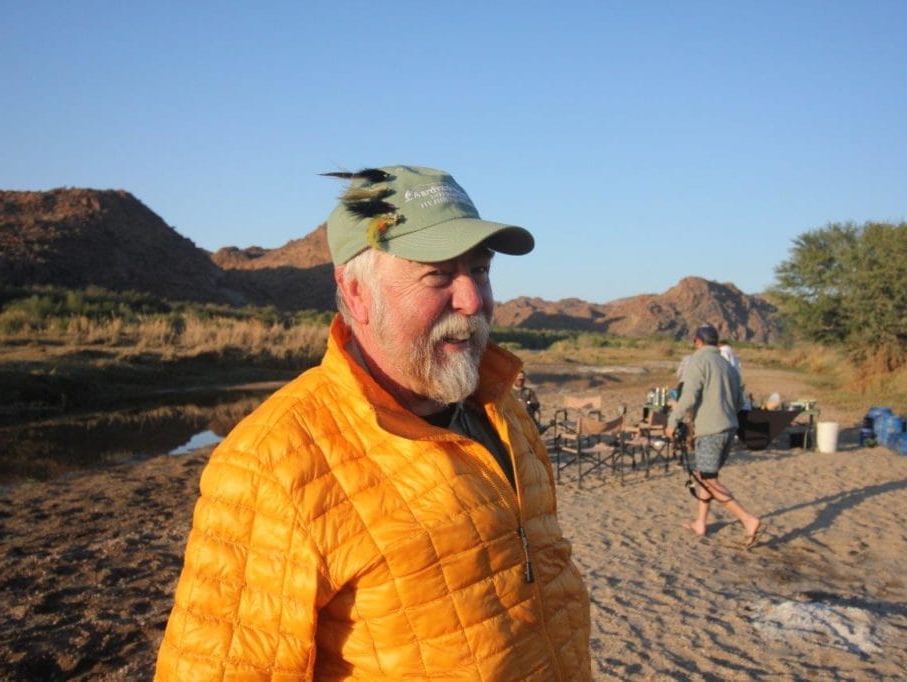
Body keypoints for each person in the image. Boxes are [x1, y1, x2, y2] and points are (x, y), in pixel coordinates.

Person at [155, 166, 592, 680]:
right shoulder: (272, 465)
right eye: (437, 274)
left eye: (480, 270)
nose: (473, 300)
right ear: (356, 292)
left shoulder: (501, 404)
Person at [666, 324, 761, 548]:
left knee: (709, 481)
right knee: (705, 475)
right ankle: (701, 523)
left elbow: (688, 397)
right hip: (729, 428)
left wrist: (673, 421)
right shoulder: (728, 365)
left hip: (710, 430)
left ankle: (748, 519)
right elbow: (739, 402)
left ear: (697, 341)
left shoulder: (698, 361)